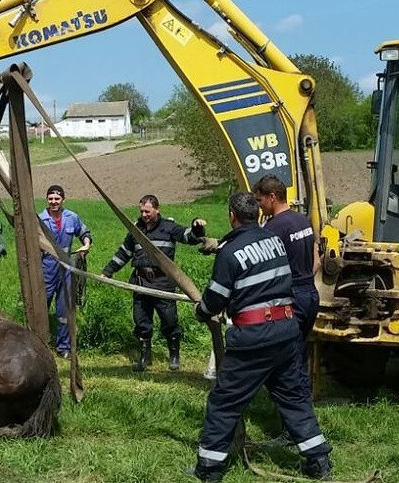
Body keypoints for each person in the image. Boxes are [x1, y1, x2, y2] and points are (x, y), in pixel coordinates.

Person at [190, 192, 331, 482]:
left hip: (253, 337)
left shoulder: (230, 252)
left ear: (232, 215)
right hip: (286, 332)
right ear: (258, 214)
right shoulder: (274, 241)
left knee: (225, 401)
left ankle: (209, 469)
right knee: (294, 398)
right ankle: (319, 461)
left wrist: (201, 311)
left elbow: (215, 299)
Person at [102, 194, 206, 372]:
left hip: (163, 283)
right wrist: (108, 271)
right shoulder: (136, 230)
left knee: (169, 321)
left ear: (157, 210)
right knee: (142, 321)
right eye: (141, 211)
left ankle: (174, 357)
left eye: (147, 211)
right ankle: (145, 358)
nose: (144, 214)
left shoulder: (169, 227)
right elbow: (124, 253)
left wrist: (196, 227)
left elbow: (188, 237)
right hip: (141, 282)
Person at [252, 174, 320, 445]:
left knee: (288, 365)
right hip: (309, 294)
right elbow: (316, 256)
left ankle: (295, 430)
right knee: (298, 358)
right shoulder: (302, 220)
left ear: (272, 197)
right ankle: (301, 419)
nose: (259, 206)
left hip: (292, 298)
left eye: (260, 200)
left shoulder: (275, 227)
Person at [38, 185, 91, 359]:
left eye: (57, 199)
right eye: (50, 199)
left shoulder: (72, 217)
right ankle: (39, 345)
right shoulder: (40, 219)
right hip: (46, 266)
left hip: (67, 268)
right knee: (41, 306)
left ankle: (64, 347)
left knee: (65, 309)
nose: (53, 202)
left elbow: (84, 232)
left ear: (63, 200)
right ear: (47, 200)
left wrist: (86, 244)